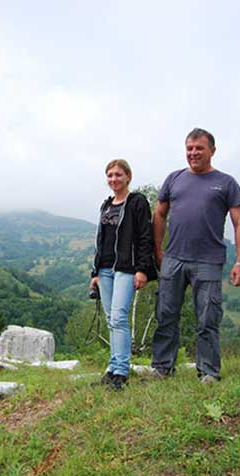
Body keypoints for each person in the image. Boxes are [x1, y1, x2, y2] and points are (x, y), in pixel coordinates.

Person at [151, 128, 240, 383]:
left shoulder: (227, 183)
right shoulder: (174, 178)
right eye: (189, 149)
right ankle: (162, 367)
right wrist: (158, 249)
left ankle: (208, 372)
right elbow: (159, 214)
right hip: (173, 258)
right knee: (166, 314)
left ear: (212, 151)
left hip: (208, 260)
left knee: (207, 318)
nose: (193, 153)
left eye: (199, 148)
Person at [89, 159, 155, 390]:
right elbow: (101, 240)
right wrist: (95, 272)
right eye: (110, 175)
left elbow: (146, 237)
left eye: (118, 174)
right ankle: (113, 367)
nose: (114, 179)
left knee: (118, 317)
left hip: (127, 268)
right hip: (105, 269)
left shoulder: (137, 202)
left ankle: (122, 372)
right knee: (110, 320)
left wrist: (143, 269)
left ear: (128, 176)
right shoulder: (106, 205)